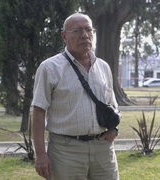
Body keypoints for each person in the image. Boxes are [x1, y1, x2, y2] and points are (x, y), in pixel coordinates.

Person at [32, 12, 119, 180]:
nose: (85, 35)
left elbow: (111, 104)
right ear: (64, 36)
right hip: (65, 151)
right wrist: (41, 155)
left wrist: (114, 129)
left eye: (88, 30)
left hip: (102, 149)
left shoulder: (103, 67)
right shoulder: (49, 68)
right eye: (78, 31)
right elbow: (38, 112)